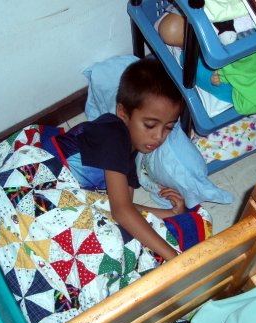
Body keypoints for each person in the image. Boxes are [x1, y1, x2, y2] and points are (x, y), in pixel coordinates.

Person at [46, 57, 186, 261]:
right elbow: (121, 211)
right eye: (149, 125)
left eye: (168, 128)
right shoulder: (113, 133)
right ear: (123, 112)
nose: (159, 136)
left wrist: (171, 213)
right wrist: (173, 257)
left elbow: (117, 206)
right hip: (46, 178)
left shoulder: (130, 158)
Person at [157, 12, 233, 103]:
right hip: (230, 83)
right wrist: (211, 79)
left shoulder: (210, 28)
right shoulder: (188, 57)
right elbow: (199, 75)